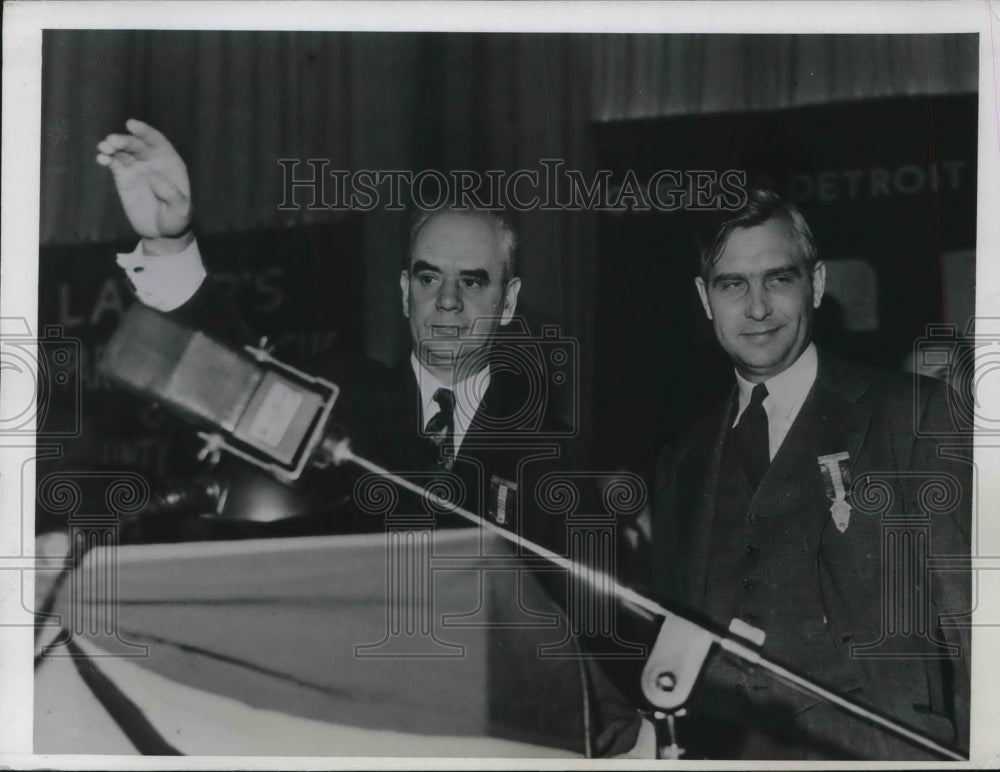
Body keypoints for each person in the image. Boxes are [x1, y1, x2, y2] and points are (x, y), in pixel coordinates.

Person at [95, 119, 645, 756]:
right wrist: (171, 243)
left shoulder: (557, 460)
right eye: (429, 276)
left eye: (473, 281)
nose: (447, 301)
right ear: (404, 289)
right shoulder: (342, 398)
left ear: (509, 299)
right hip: (337, 734)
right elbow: (227, 380)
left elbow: (587, 651)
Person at [650, 189, 971, 760]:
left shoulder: (914, 415)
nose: (756, 309)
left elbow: (977, 626)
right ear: (704, 298)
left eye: (778, 279)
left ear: (816, 284)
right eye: (732, 284)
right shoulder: (682, 460)